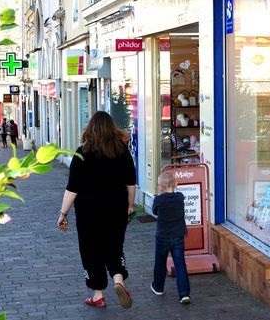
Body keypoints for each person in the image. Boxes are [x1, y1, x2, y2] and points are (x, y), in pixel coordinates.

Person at [57, 111, 136, 309]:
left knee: (91, 250)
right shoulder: (122, 152)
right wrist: (130, 206)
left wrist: (63, 214)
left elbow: (72, 188)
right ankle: (119, 280)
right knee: (114, 246)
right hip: (116, 208)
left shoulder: (81, 154)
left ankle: (98, 295)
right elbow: (131, 183)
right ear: (112, 129)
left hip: (88, 212)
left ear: (90, 130)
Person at [151, 172, 191, 304]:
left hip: (162, 236)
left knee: (160, 263)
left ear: (160, 187)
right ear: (176, 184)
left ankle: (158, 287)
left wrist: (160, 195)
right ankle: (184, 293)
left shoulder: (158, 200)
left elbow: (155, 211)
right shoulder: (180, 197)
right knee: (180, 264)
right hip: (178, 235)